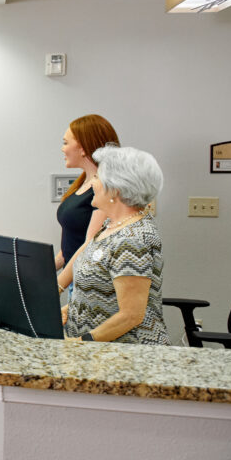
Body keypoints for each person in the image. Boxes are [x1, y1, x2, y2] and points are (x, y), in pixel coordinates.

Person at [62, 145, 170, 345]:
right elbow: (101, 287)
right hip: (95, 352)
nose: (92, 183)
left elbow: (131, 315)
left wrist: (81, 341)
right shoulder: (111, 226)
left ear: (116, 188)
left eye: (97, 178)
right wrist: (70, 310)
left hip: (127, 356)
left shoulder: (133, 240)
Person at [55, 114, 120, 296]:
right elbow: (69, 245)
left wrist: (57, 286)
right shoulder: (83, 183)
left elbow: (89, 245)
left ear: (83, 148)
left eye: (66, 142)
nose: (62, 148)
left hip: (91, 285)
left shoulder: (104, 189)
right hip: (74, 278)